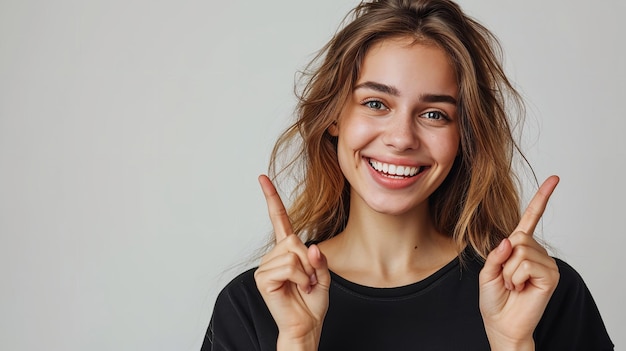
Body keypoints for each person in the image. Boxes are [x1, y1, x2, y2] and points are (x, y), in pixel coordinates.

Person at [202, 0, 613, 350]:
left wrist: (513, 344)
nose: (401, 138)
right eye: (376, 103)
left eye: (434, 113)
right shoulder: (255, 304)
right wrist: (295, 340)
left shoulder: (540, 293)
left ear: (464, 135)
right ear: (333, 117)